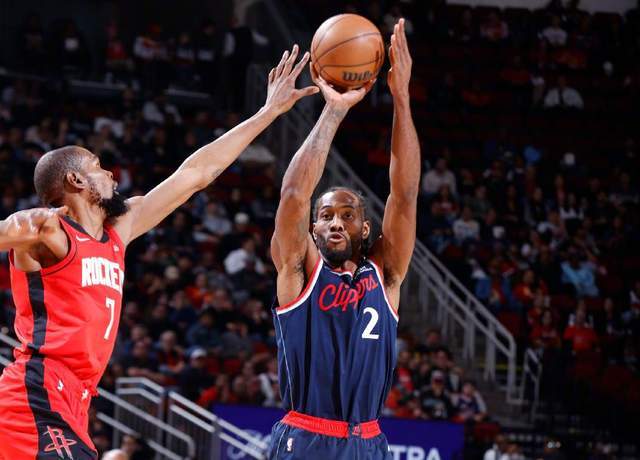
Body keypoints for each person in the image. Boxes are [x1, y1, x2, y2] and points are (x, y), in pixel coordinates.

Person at [0, 44, 316, 459]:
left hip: (74, 397)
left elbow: (196, 174)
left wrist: (268, 112)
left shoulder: (119, 228)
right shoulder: (46, 229)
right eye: (97, 166)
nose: (110, 173)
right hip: (37, 390)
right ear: (76, 181)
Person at [267, 19, 419, 459]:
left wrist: (402, 97)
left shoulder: (386, 274)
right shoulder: (298, 271)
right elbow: (294, 194)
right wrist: (333, 111)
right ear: (312, 230)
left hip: (369, 441)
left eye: (347, 216)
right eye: (326, 216)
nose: (335, 223)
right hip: (307, 436)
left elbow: (405, 194)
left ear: (365, 229)